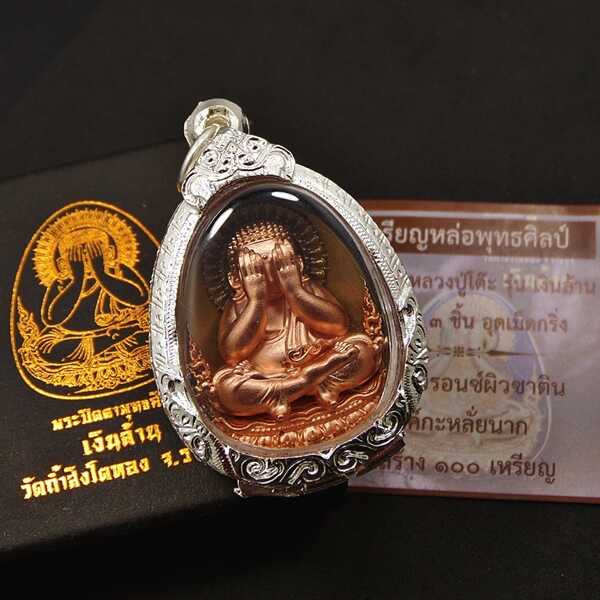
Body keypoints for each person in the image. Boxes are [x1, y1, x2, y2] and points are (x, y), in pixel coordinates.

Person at [213, 221, 379, 420]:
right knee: (226, 388)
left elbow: (339, 326)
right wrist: (256, 300)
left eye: (279, 264)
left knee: (362, 349)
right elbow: (231, 353)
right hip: (269, 377)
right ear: (235, 279)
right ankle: (310, 380)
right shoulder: (239, 306)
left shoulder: (307, 289)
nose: (270, 275)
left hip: (319, 359)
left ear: (297, 264)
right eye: (256, 270)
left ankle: (290, 391)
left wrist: (294, 290)